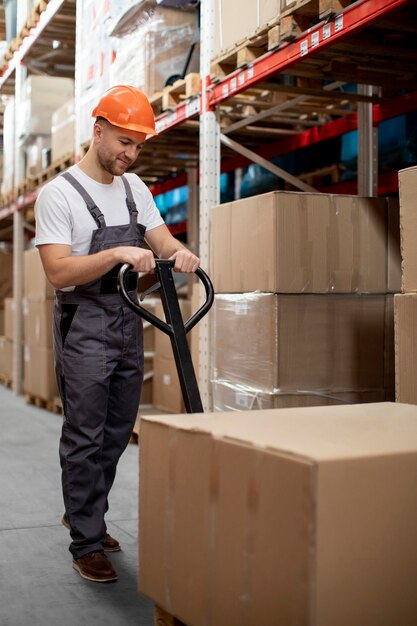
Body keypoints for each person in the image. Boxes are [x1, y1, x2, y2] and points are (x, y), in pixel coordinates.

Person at [35, 85, 199, 583]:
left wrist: (182, 252)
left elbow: (161, 239)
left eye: (138, 146)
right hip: (84, 323)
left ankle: (86, 512)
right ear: (98, 130)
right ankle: (86, 540)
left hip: (129, 319)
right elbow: (59, 273)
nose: (130, 153)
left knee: (114, 433)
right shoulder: (58, 195)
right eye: (124, 142)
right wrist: (116, 254)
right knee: (84, 434)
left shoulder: (136, 189)